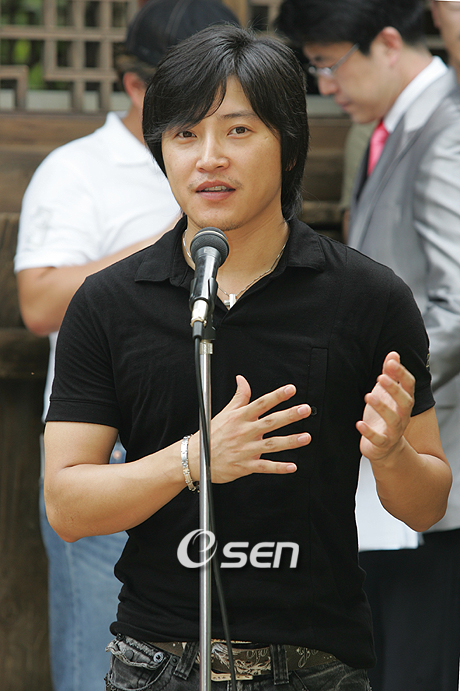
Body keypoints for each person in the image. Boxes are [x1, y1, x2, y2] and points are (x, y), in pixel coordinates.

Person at [43, 24, 451, 691]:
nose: (209, 158)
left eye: (238, 131)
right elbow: (66, 505)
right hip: (157, 661)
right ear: (161, 150)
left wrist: (391, 453)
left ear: (288, 144)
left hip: (317, 665)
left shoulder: (368, 297)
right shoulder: (109, 302)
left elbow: (427, 504)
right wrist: (195, 459)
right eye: (185, 134)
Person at [14, 2, 239, 690]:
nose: (209, 135)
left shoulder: (240, 161)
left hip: (229, 449)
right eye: (189, 102)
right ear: (136, 86)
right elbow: (39, 301)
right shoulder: (78, 168)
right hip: (112, 452)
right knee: (102, 659)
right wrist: (167, 246)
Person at [276, 1, 460, 689]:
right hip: (393, 456)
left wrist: (363, 386)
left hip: (436, 455)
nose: (326, 85)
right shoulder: (395, 128)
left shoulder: (446, 129)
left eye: (328, 63)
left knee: (416, 666)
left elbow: (458, 304)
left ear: (386, 42)